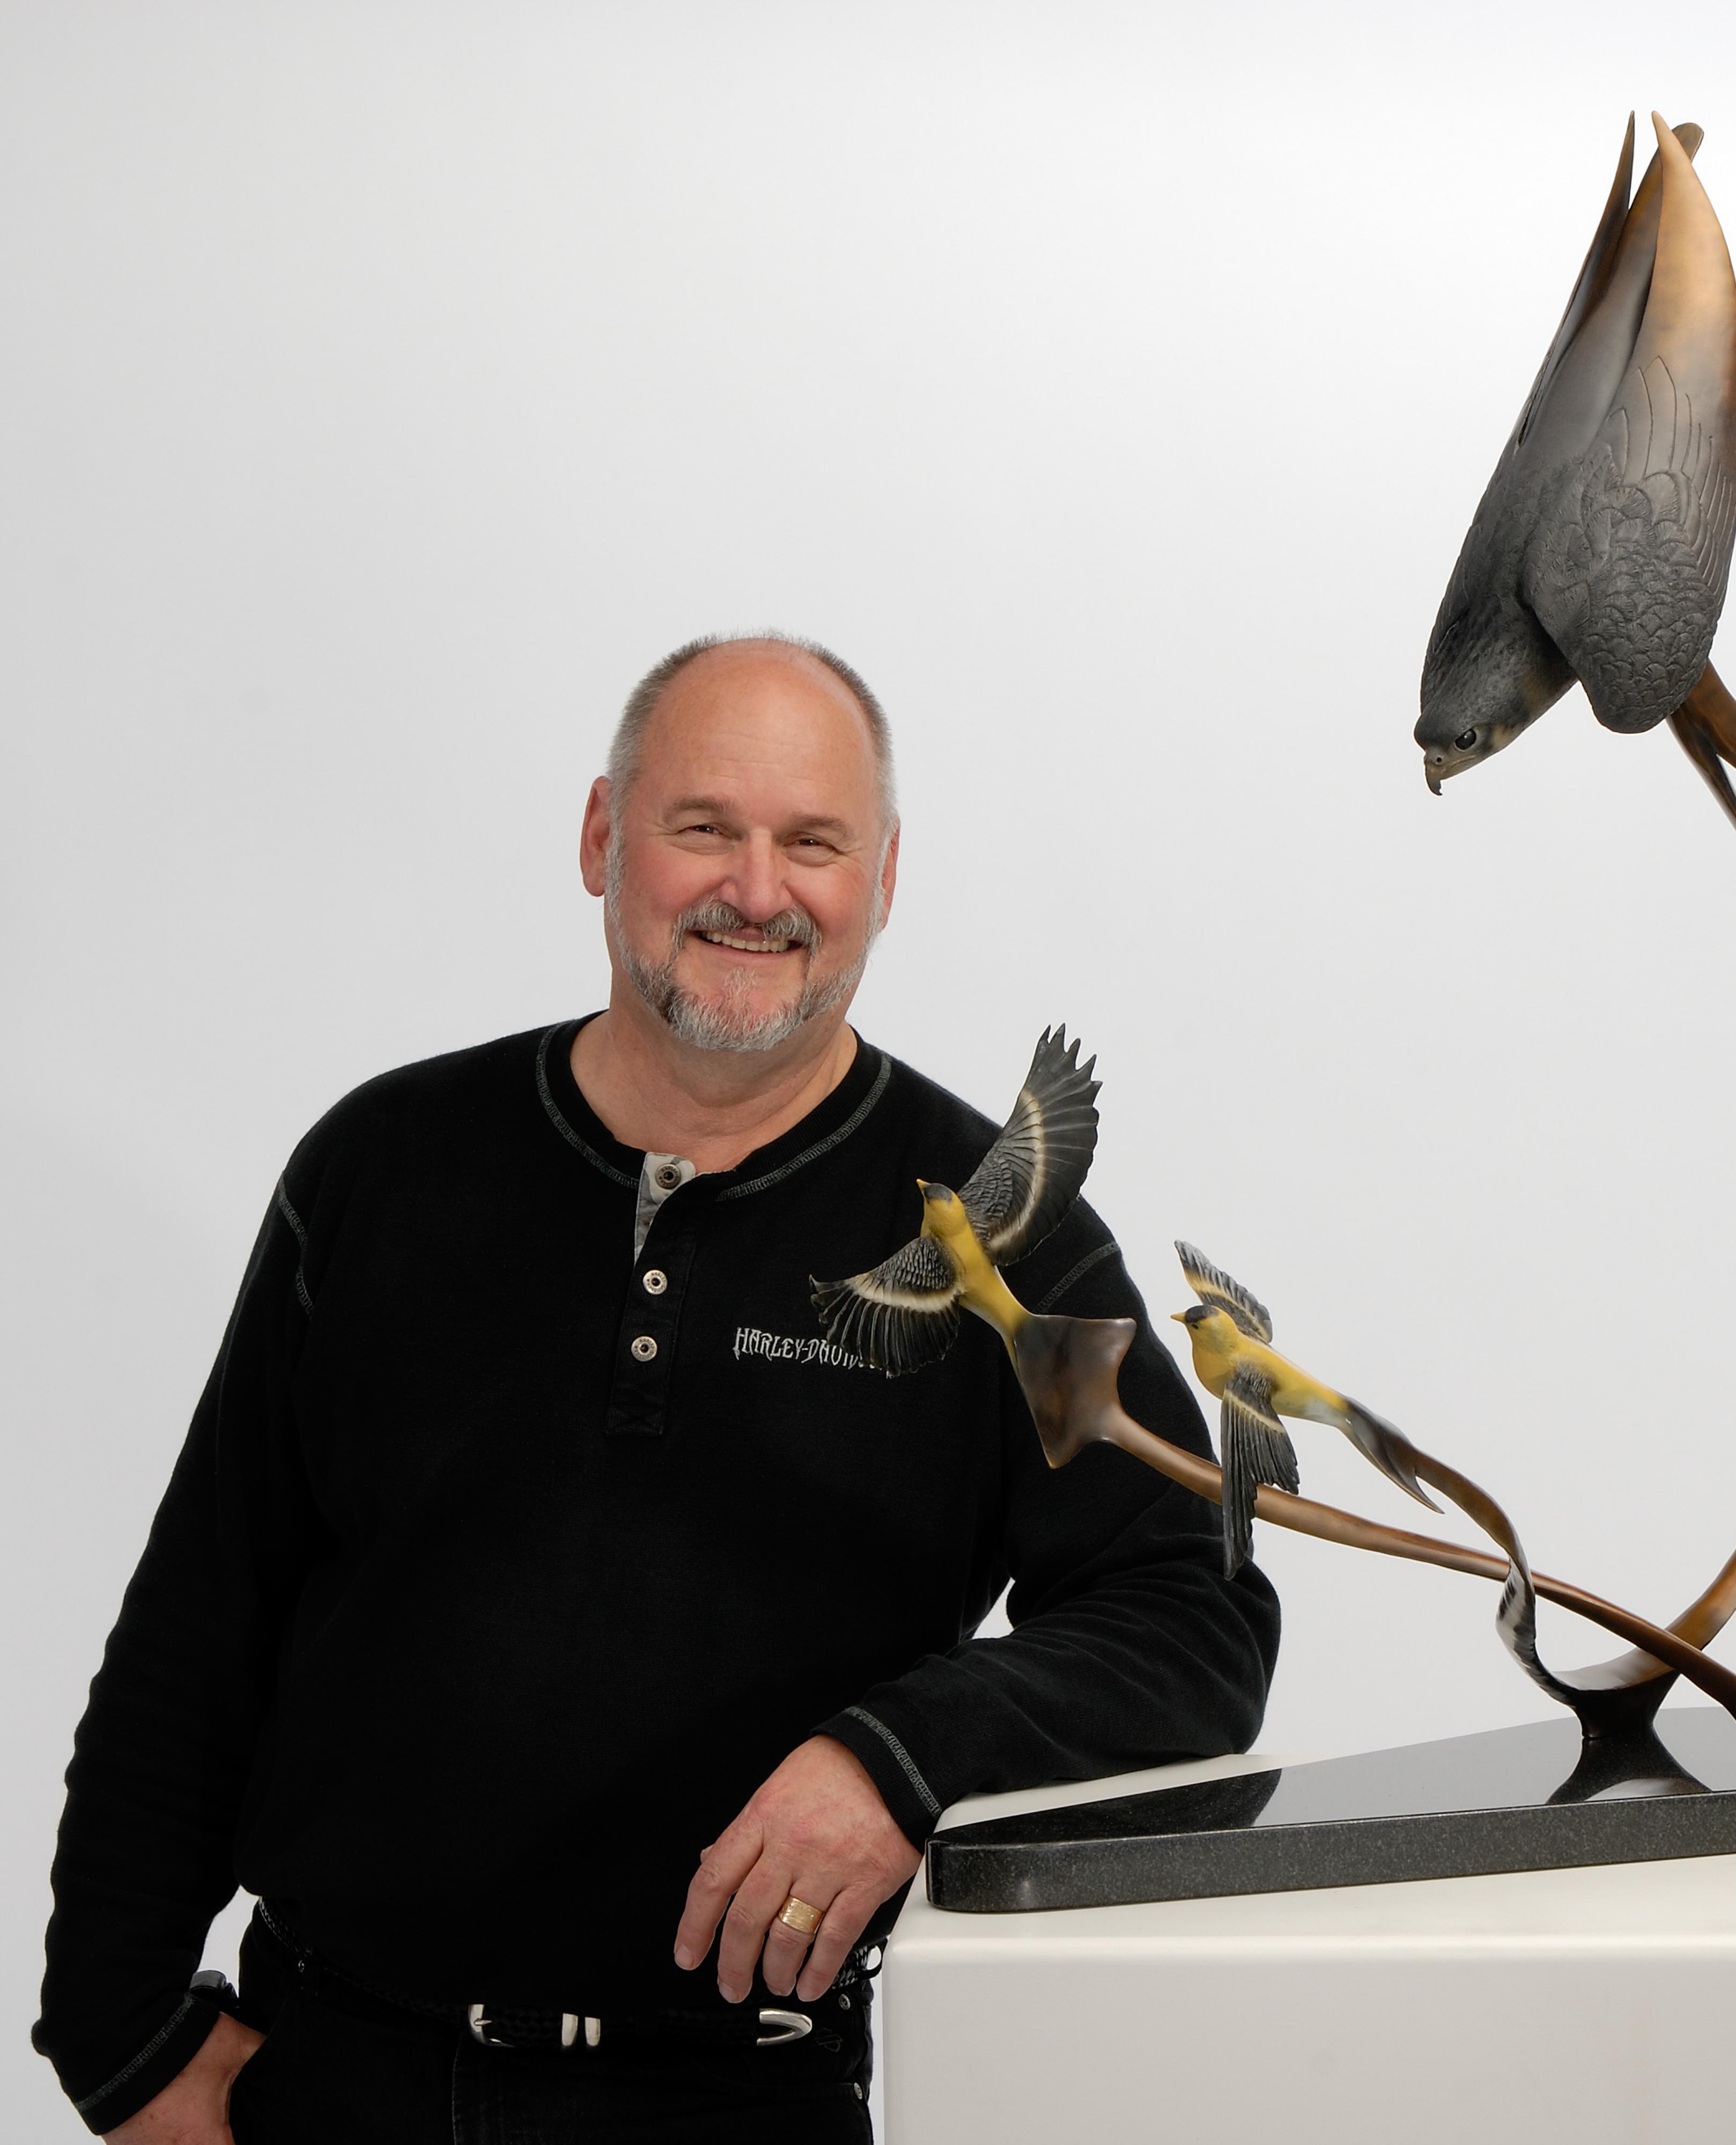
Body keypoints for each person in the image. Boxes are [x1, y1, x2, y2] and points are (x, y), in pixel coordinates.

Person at [34, 634, 1282, 2141]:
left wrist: (899, 1762)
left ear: (884, 877)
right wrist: (122, 2039)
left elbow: (1193, 1620)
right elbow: (202, 1624)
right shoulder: (383, 1167)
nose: (756, 891)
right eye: (704, 827)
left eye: (811, 843)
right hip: (337, 2075)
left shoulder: (996, 1236)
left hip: (737, 2099)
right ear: (600, 839)